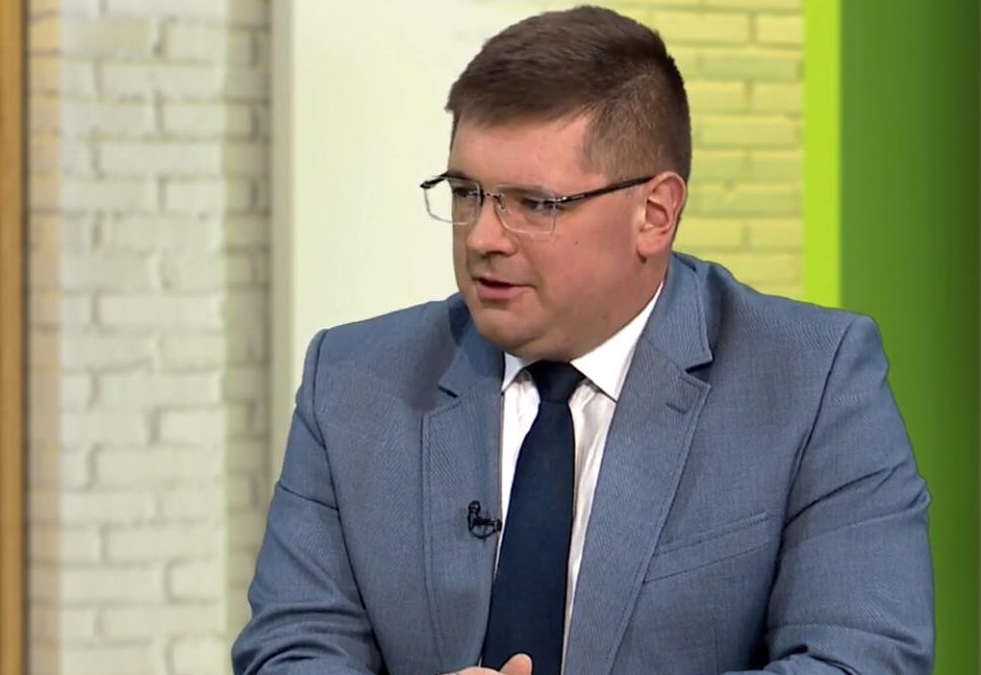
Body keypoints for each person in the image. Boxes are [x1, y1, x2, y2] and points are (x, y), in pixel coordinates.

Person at [232, 6, 935, 675]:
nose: (482, 237)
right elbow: (291, 649)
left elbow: (861, 658)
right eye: (466, 193)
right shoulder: (352, 381)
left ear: (654, 213)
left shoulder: (810, 382)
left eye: (534, 203)